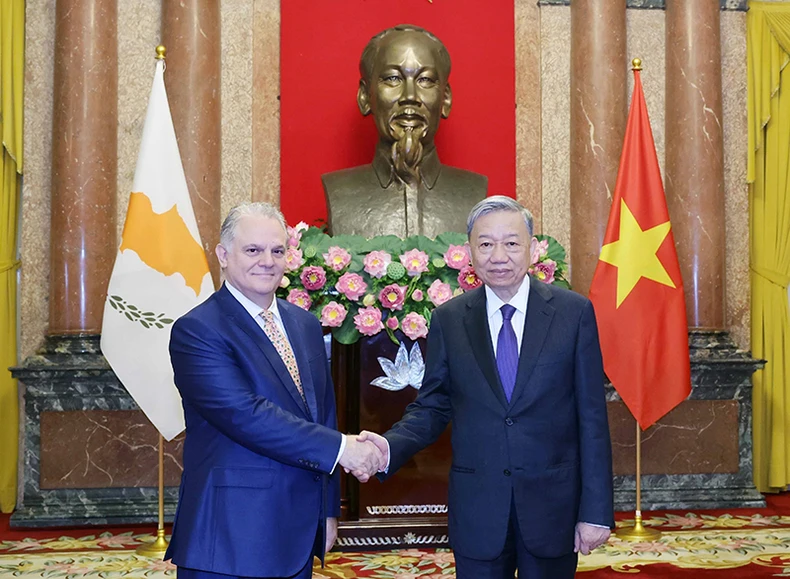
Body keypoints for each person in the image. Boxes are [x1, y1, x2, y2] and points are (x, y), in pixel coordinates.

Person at [360, 196, 614, 578]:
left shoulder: (572, 313)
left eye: (511, 243)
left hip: (552, 508)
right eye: (485, 244)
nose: (498, 256)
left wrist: (596, 511)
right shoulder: (449, 319)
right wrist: (389, 446)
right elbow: (432, 406)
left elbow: (592, 417)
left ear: (532, 249)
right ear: (469, 253)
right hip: (478, 511)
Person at [166, 202, 382, 579]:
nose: (267, 261)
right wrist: (344, 449)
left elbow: (323, 414)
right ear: (223, 255)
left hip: (299, 530)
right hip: (231, 535)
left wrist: (328, 511)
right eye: (253, 250)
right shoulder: (198, 330)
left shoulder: (305, 324)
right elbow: (245, 415)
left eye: (277, 250)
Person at [322, 24, 487, 238]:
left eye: (425, 80)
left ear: (445, 99)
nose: (410, 96)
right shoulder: (339, 191)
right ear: (365, 96)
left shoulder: (473, 192)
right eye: (393, 78)